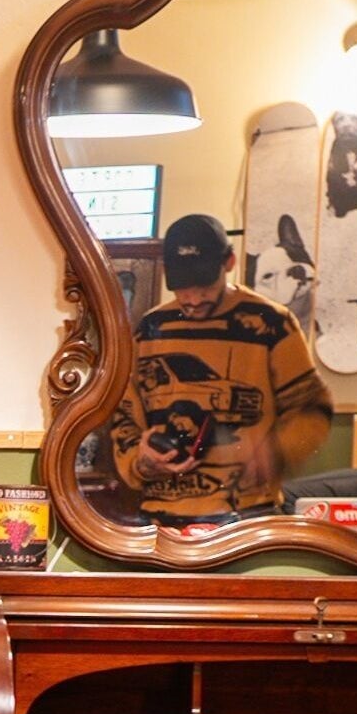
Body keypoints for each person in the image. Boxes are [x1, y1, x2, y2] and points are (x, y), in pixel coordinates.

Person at [91, 214, 333, 526]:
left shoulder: (272, 324)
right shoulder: (150, 328)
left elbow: (313, 410)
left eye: (203, 285)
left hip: (248, 517)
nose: (191, 299)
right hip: (160, 519)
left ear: (229, 262)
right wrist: (140, 461)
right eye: (181, 287)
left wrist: (275, 454)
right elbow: (124, 414)